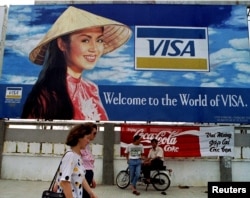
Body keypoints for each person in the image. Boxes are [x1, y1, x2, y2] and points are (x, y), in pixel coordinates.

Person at [21, 6, 132, 120]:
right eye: (85, 40)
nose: (94, 48)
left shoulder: (91, 88)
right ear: (62, 44)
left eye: (99, 40)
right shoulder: (47, 95)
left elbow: (103, 129)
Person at [53, 123, 97, 198]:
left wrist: (91, 193)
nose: (88, 141)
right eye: (87, 138)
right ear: (79, 138)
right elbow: (65, 182)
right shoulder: (70, 156)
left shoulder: (78, 156)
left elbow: (81, 177)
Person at [81, 122, 98, 198]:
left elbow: (88, 164)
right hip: (82, 175)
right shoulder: (79, 147)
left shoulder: (87, 146)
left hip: (88, 174)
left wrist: (92, 179)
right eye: (94, 133)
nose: (95, 135)